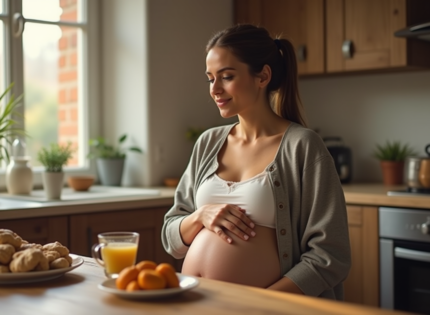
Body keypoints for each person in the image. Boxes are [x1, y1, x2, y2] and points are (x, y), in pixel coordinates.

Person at [161, 24, 351, 300]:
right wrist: (200, 215)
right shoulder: (208, 143)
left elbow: (330, 256)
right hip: (195, 303)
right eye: (210, 78)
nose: (215, 89)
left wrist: (261, 303)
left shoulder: (302, 146)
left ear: (263, 76)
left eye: (226, 76)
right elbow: (171, 238)